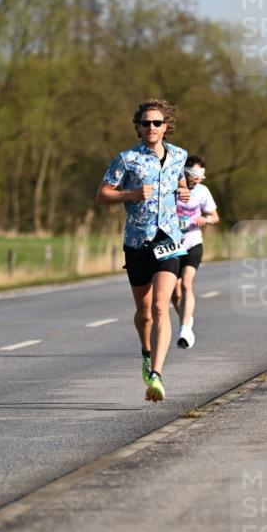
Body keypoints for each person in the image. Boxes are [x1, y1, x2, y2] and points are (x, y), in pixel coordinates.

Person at [96, 99, 190, 402]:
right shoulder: (126, 160)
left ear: (166, 127)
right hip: (137, 242)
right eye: (146, 123)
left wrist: (184, 189)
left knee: (162, 306)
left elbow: (179, 181)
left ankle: (157, 376)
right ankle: (146, 353)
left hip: (169, 240)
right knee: (145, 313)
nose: (151, 127)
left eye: (157, 123)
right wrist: (132, 194)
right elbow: (102, 194)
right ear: (138, 127)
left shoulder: (179, 155)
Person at [173, 154, 219, 349]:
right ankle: (187, 318)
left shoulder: (203, 191)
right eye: (194, 174)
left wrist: (205, 220)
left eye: (201, 175)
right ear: (185, 172)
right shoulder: (172, 188)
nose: (197, 178)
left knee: (186, 284)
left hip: (193, 243)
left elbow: (215, 217)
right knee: (174, 294)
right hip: (172, 246)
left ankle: (184, 328)